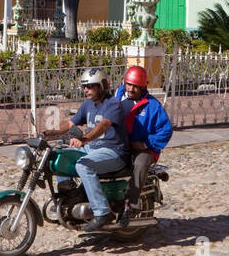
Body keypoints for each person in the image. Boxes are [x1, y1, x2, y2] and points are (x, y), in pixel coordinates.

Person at [44, 67, 129, 233]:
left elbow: (103, 125)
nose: (86, 90)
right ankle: (69, 195)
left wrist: (84, 140)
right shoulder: (88, 104)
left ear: (102, 85)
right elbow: (70, 123)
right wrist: (51, 132)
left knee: (84, 166)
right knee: (60, 156)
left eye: (90, 86)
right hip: (93, 149)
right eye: (85, 86)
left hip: (114, 152)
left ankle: (102, 212)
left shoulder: (113, 104)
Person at [113, 65, 172, 225]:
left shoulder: (153, 106)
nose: (131, 89)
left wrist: (146, 143)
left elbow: (166, 130)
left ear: (143, 86)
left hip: (144, 150)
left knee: (139, 164)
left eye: (135, 86)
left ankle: (130, 206)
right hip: (120, 144)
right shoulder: (119, 95)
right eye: (128, 84)